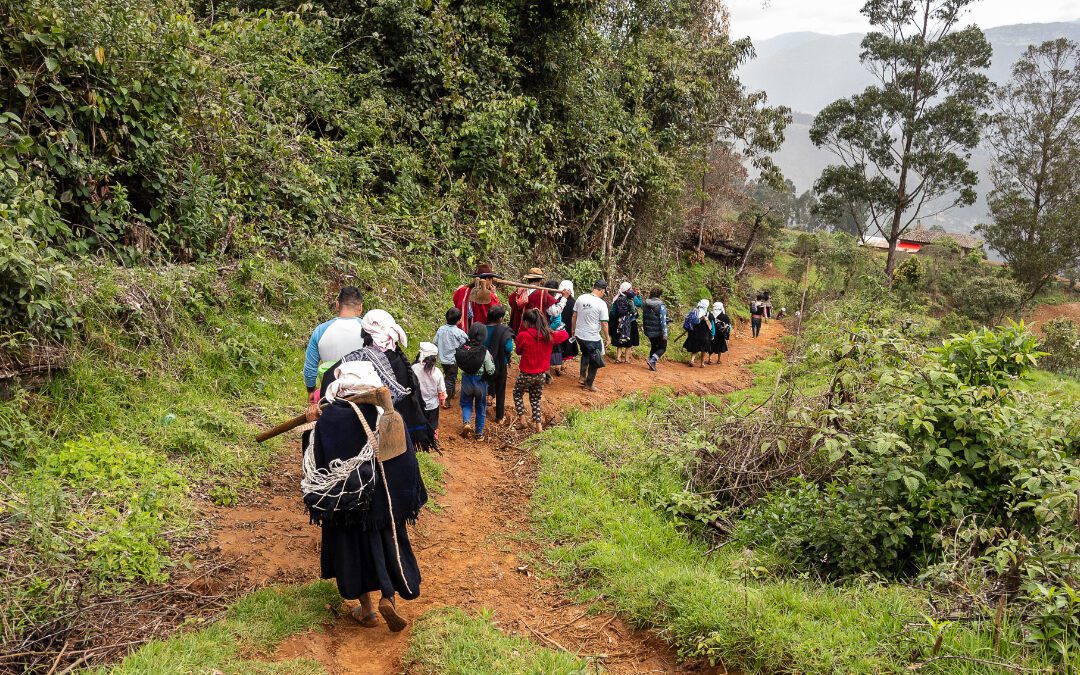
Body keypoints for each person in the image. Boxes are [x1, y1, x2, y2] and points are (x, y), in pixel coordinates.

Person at [311, 310, 430, 632]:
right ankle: (388, 596)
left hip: (348, 504)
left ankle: (366, 609)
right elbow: (406, 462)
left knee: (354, 553)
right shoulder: (387, 416)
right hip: (382, 502)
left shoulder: (331, 418)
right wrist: (410, 497)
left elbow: (316, 462)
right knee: (385, 546)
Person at [304, 287, 366, 401]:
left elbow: (310, 368)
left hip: (329, 394)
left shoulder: (320, 331)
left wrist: (311, 390)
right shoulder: (368, 331)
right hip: (362, 394)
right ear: (360, 308)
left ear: (337, 305)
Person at [513, 308, 569, 432]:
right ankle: (538, 426)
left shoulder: (524, 335)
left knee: (517, 394)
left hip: (526, 373)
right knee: (535, 399)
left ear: (527, 322)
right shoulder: (548, 336)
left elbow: (518, 351)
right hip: (541, 374)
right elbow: (565, 335)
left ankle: (522, 420)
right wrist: (550, 331)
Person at [456, 322, 495, 441]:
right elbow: (490, 370)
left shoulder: (464, 348)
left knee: (466, 403)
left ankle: (467, 422)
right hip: (480, 382)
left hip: (467, 379)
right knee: (480, 407)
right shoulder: (484, 351)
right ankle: (479, 433)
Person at [572, 280, 610, 392]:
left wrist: (573, 329)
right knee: (595, 360)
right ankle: (589, 384)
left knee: (585, 353)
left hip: (579, 334)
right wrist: (607, 337)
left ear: (593, 287)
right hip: (592, 337)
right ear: (602, 290)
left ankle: (582, 376)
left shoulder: (580, 298)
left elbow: (574, 315)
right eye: (604, 292)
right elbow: (604, 323)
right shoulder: (601, 304)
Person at [483, 305, 514, 425]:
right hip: (501, 363)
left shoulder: (482, 329)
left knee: (485, 383)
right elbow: (508, 347)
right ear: (500, 318)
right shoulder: (504, 331)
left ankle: (486, 402)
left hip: (484, 363)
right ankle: (500, 417)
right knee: (501, 389)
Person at [433, 308, 468, 408]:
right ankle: (446, 401)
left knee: (448, 376)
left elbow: (435, 342)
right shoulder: (459, 333)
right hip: (453, 360)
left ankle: (450, 393)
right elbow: (465, 342)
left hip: (443, 359)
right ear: (458, 320)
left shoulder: (441, 329)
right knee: (450, 379)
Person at [451, 264, 501, 330]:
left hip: (461, 332)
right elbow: (498, 311)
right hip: (480, 334)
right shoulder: (489, 295)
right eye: (491, 280)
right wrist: (494, 294)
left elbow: (455, 300)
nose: (491, 283)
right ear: (487, 279)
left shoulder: (462, 290)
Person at [508, 267, 557, 334]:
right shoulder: (543, 294)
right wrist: (564, 298)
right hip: (537, 332)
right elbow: (554, 312)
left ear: (528, 279)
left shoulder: (519, 291)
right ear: (540, 281)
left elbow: (511, 302)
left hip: (521, 329)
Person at [412, 342, 446, 433]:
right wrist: (442, 401)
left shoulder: (414, 368)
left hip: (417, 405)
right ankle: (433, 442)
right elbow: (441, 392)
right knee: (433, 426)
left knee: (419, 424)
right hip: (432, 405)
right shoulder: (437, 372)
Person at [609, 282, 642, 363]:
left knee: (619, 340)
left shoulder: (617, 299)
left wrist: (616, 320)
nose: (631, 290)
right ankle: (627, 360)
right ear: (627, 290)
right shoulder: (631, 298)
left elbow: (612, 312)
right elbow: (639, 304)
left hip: (619, 322)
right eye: (630, 289)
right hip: (631, 322)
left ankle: (618, 358)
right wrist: (638, 295)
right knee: (629, 341)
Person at [641, 288, 669, 371]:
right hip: (658, 331)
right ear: (659, 295)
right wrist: (665, 333)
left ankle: (652, 365)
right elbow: (662, 320)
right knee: (662, 348)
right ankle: (652, 360)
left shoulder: (645, 303)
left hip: (648, 330)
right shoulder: (661, 305)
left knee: (654, 346)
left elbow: (650, 316)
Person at [682, 299, 713, 368]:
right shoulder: (709, 315)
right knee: (703, 350)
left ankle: (692, 360)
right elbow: (711, 327)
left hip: (694, 335)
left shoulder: (694, 312)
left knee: (694, 348)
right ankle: (702, 363)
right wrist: (712, 335)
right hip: (704, 336)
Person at [556, 280, 578, 373]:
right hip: (569, 327)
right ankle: (562, 363)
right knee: (566, 343)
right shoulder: (574, 302)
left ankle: (557, 363)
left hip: (557, 326)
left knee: (557, 344)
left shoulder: (556, 300)